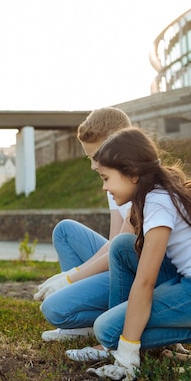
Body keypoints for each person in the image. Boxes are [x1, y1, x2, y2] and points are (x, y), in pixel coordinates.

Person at [75, 127, 191, 381]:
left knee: (108, 331)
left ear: (132, 174)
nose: (104, 187)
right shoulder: (156, 193)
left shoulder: (158, 203)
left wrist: (127, 352)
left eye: (106, 178)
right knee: (123, 246)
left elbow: (145, 281)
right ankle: (120, 336)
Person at [33, 107, 133, 349]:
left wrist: (70, 279)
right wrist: (75, 274)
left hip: (136, 270)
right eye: (90, 157)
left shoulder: (134, 179)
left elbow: (121, 251)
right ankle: (81, 326)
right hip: (121, 257)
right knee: (65, 230)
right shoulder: (112, 180)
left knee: (55, 310)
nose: (92, 165)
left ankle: (100, 318)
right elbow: (113, 241)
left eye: (96, 155)